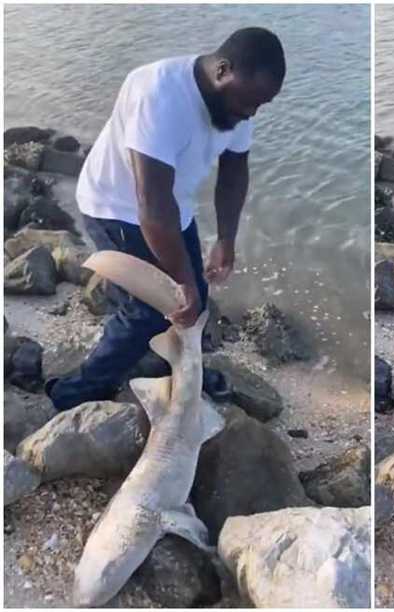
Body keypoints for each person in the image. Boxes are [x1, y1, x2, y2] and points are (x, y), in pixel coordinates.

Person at [46, 27, 285, 411]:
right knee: (148, 312)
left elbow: (235, 169)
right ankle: (73, 393)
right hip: (115, 205)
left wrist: (226, 239)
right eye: (249, 103)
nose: (252, 113)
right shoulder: (158, 93)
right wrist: (182, 280)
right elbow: (151, 204)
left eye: (262, 105)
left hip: (172, 206)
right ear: (223, 70)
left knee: (195, 302)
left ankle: (173, 371)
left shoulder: (240, 101)